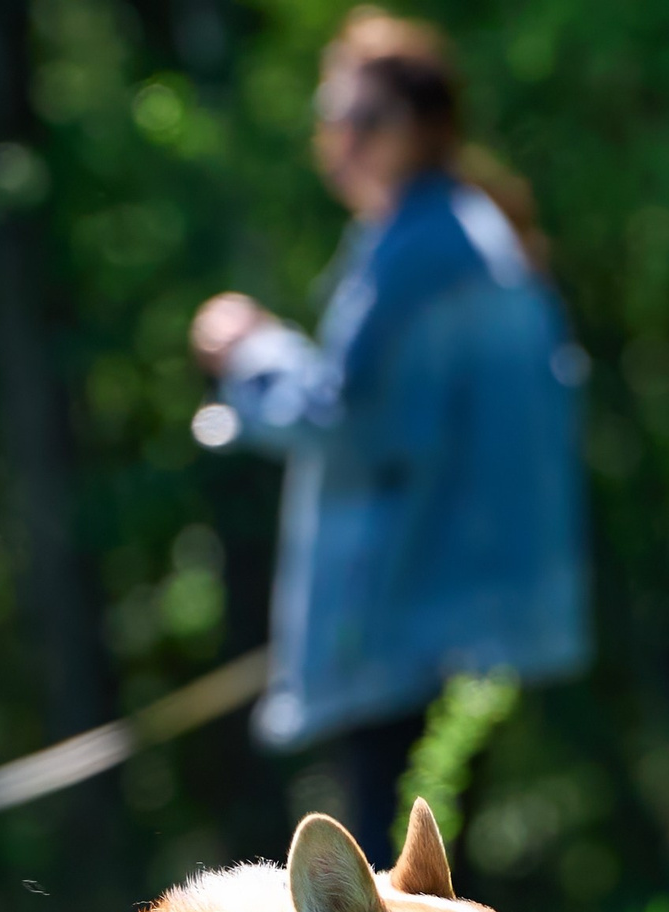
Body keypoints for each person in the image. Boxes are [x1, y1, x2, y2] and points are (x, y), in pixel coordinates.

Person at [192, 8, 589, 865]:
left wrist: (251, 352)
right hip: (471, 614)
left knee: (390, 882)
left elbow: (346, 420)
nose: (340, 139)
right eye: (334, 115)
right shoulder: (478, 232)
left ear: (422, 127)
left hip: (406, 616)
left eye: (362, 117)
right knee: (435, 859)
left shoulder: (419, 249)